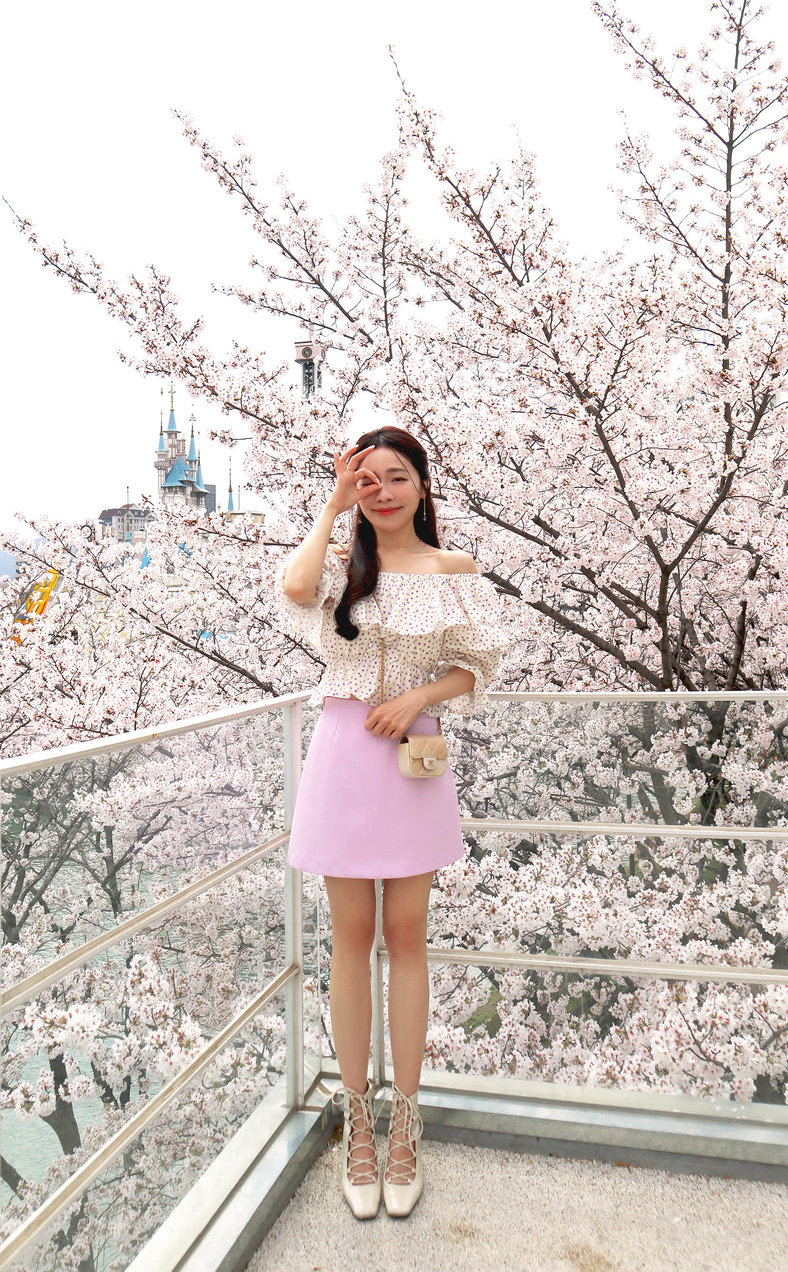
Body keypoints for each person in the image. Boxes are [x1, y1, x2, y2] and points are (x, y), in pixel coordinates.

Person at [275, 425, 512, 1220]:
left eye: (395, 476)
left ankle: (404, 1123)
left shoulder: (453, 569)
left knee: (406, 934)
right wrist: (330, 504)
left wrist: (420, 697)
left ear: (421, 485)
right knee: (350, 936)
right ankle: (358, 1125)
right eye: (366, 480)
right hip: (343, 752)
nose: (381, 490)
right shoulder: (344, 570)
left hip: (414, 757)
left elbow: (480, 661)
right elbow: (294, 587)